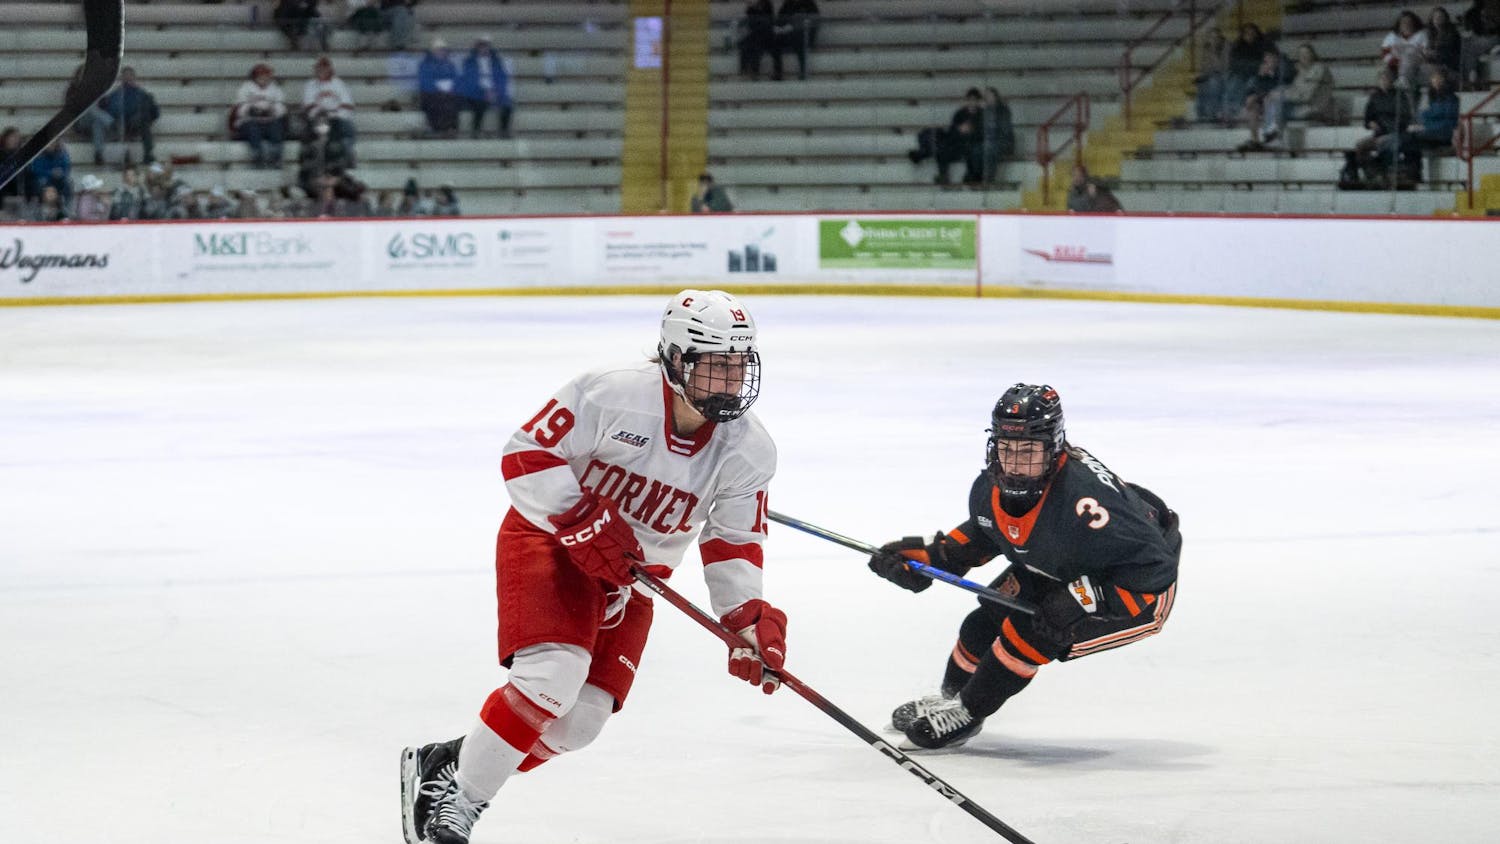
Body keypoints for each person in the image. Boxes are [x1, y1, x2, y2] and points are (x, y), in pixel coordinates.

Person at [399, 290, 786, 844]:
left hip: (632, 579)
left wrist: (747, 621)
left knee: (579, 723)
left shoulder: (748, 450)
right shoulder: (613, 392)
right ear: (676, 360)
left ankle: (454, 761)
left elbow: (734, 542)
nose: (727, 382)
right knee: (551, 676)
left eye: (737, 367)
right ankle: (459, 803)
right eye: (714, 366)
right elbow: (526, 452)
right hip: (549, 538)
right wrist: (579, 516)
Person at [866, 384, 1181, 750]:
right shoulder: (990, 486)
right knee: (982, 623)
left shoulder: (1087, 501)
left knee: (1030, 632)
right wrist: (934, 557)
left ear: (1054, 447)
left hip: (1134, 591)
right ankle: (950, 698)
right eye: (1007, 449)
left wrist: (1081, 599)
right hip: (1061, 566)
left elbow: (1154, 569)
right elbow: (989, 531)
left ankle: (968, 712)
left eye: (1029, 450)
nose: (1015, 463)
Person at [1343, 65, 1416, 186]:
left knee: (1381, 144)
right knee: (1360, 147)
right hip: (1379, 132)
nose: (1384, 81)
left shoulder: (1400, 96)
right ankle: (1371, 173)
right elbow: (1367, 118)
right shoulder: (1375, 97)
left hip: (1395, 133)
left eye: (1387, 78)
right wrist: (1371, 123)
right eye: (1382, 79)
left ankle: (1377, 173)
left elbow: (1405, 118)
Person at [1254, 43, 1336, 149]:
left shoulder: (1318, 69)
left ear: (1313, 54)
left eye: (1306, 53)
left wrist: (1281, 95)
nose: (1303, 56)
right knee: (1273, 98)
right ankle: (1272, 136)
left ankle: (1273, 137)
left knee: (1276, 101)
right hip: (1301, 106)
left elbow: (1306, 96)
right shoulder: (1302, 71)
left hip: (1313, 107)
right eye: (1301, 54)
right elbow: (1294, 90)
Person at [908, 87, 984, 185]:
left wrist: (970, 131)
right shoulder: (960, 113)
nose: (972, 103)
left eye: (975, 100)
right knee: (939, 144)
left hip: (969, 146)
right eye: (970, 100)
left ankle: (922, 154)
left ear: (978, 101)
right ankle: (941, 174)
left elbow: (983, 134)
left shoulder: (982, 115)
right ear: (967, 101)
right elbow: (952, 131)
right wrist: (959, 130)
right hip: (956, 143)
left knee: (943, 147)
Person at [234, 64, 288, 168]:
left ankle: (275, 157)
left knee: (277, 127)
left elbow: (282, 107)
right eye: (261, 75)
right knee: (253, 129)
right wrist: (252, 110)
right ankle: (257, 157)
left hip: (270, 120)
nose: (264, 78)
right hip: (251, 121)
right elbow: (239, 109)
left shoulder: (275, 89)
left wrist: (272, 110)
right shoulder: (245, 88)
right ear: (254, 77)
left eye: (266, 75)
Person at [459, 36, 515, 138]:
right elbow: (469, 81)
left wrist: (495, 92)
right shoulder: (469, 62)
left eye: (486, 46)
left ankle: (504, 131)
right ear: (477, 47)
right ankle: (475, 131)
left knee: (507, 105)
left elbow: (502, 79)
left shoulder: (496, 62)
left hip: (494, 92)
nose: (484, 49)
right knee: (479, 103)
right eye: (481, 46)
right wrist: (483, 92)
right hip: (476, 93)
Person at [303, 56, 357, 155]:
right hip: (319, 118)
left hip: (337, 118)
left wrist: (335, 115)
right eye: (320, 68)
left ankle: (347, 156)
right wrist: (322, 114)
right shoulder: (310, 85)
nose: (322, 70)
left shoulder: (339, 84)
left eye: (325, 68)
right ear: (316, 69)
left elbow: (347, 105)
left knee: (347, 128)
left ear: (330, 69)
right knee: (315, 129)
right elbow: (309, 107)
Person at [418, 39, 463, 136]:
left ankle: (451, 127)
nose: (441, 52)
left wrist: (452, 88)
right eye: (438, 50)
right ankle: (437, 128)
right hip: (431, 93)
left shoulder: (450, 65)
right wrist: (438, 88)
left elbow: (456, 79)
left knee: (454, 100)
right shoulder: (425, 64)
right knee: (437, 101)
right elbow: (424, 81)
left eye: (443, 50)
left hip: (448, 92)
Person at [1381, 10, 1429, 90]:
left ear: (1414, 23)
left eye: (1409, 22)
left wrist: (1407, 61)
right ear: (1399, 24)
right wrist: (1400, 63)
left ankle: (1403, 80)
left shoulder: (1421, 35)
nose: (1407, 24)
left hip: (1417, 66)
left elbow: (1424, 53)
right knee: (1385, 75)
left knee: (1408, 57)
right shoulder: (1391, 36)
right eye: (1404, 22)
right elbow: (1385, 55)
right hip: (1395, 66)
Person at [772, 0, 819, 81]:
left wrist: (795, 26)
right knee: (774, 44)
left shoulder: (809, 3)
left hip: (803, 36)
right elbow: (780, 18)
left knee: (800, 45)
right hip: (787, 35)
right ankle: (778, 72)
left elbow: (814, 19)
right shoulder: (787, 4)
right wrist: (778, 28)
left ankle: (803, 71)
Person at [1459, 0, 1500, 90]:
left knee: (1470, 48)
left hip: (1494, 39)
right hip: (1478, 39)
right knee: (1466, 46)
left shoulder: (1495, 8)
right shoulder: (1472, 12)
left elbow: (1494, 28)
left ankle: (1471, 78)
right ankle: (1471, 79)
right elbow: (1468, 29)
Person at [980, 86, 1015, 183]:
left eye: (990, 96)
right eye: (986, 96)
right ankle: (973, 178)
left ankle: (988, 179)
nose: (988, 98)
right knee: (978, 148)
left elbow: (1005, 130)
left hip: (1003, 142)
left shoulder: (1003, 110)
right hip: (988, 142)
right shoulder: (983, 110)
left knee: (990, 147)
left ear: (996, 96)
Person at [1194, 28, 1230, 122]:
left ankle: (1213, 113)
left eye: (1215, 37)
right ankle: (1201, 113)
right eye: (1211, 37)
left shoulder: (1226, 47)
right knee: (1201, 83)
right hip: (1211, 74)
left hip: (1224, 74)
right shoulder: (1206, 48)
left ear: (1220, 37)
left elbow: (1224, 66)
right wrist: (1203, 75)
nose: (1213, 40)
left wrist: (1213, 52)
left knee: (1213, 83)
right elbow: (1204, 66)